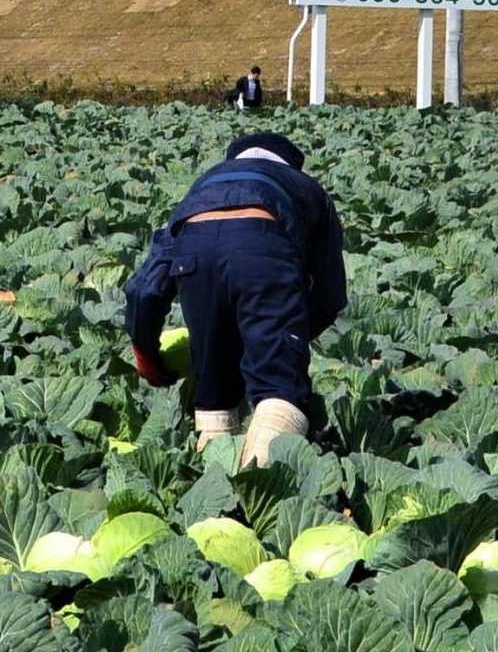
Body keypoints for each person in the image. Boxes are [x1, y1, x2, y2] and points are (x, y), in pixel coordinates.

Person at [123, 129, 346, 463]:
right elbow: (328, 295)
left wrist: (145, 352)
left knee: (213, 390)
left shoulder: (204, 184)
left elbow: (146, 287)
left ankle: (213, 482)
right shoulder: (306, 188)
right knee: (280, 388)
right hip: (262, 244)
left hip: (193, 251)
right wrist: (280, 339)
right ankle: (262, 489)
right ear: (292, 166)